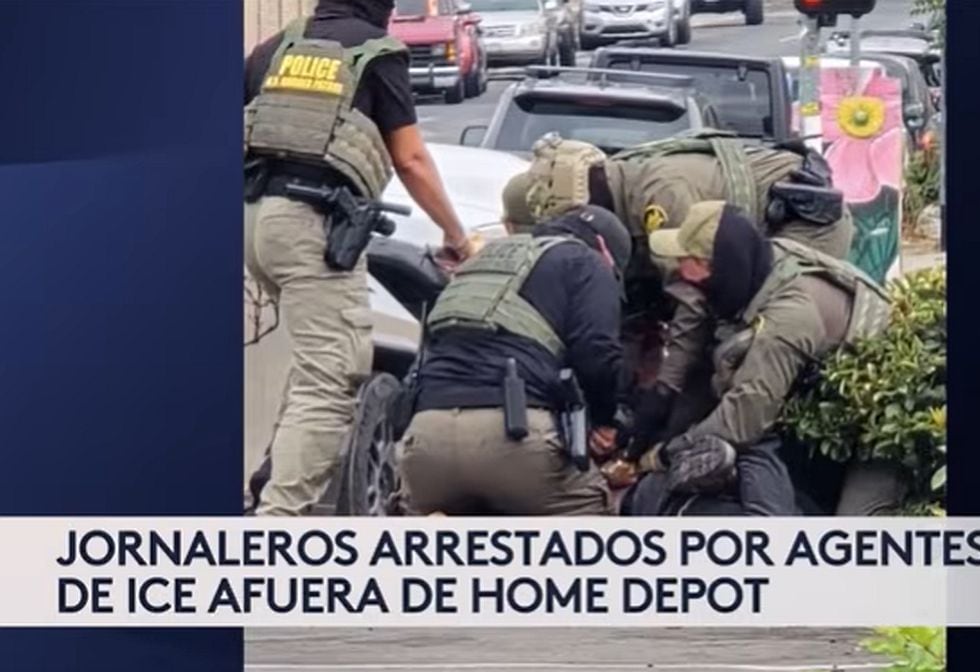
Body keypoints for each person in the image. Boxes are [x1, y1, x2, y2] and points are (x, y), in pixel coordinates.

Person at [242, 0, 476, 516]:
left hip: (256, 220)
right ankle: (276, 525)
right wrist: (457, 235)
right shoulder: (377, 53)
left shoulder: (277, 45)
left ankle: (267, 486)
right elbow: (411, 158)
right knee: (332, 378)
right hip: (312, 226)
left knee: (311, 370)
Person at [514, 132, 856, 462]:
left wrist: (664, 392)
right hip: (749, 235)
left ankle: (757, 443)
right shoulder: (618, 182)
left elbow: (692, 303)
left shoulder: (661, 198)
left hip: (806, 224)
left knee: (750, 346)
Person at [614, 200, 895, 516]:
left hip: (884, 422)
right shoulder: (757, 267)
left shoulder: (787, 318)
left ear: (719, 268)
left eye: (689, 260)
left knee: (854, 537)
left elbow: (742, 421)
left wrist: (663, 455)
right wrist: (658, 407)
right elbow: (696, 339)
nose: (680, 268)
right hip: (818, 403)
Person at [395, 206, 632, 515]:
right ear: (604, 248)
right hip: (514, 435)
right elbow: (597, 352)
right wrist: (604, 421)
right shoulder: (586, 261)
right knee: (591, 517)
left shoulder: (483, 260)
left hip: (425, 439)